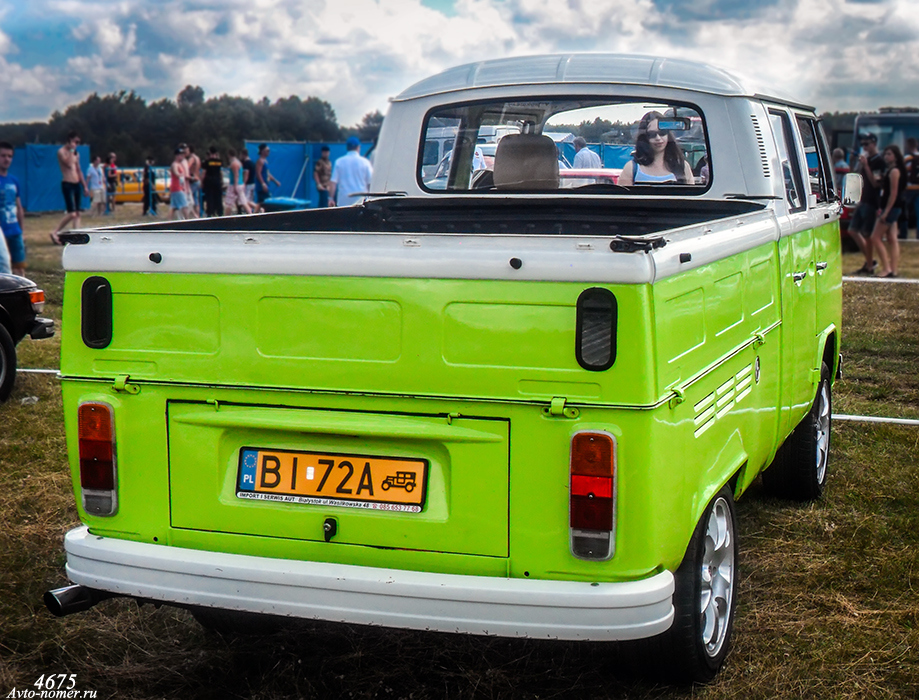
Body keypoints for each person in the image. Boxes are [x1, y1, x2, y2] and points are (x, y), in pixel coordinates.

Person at [617, 112, 693, 186]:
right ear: (644, 138)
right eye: (652, 134)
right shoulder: (632, 168)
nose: (658, 138)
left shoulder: (683, 167)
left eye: (662, 132)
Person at [849, 133, 885, 275]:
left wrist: (867, 166)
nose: (865, 147)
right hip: (863, 199)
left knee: (867, 233)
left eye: (867, 144)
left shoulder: (878, 161)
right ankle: (869, 261)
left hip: (872, 201)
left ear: (874, 144)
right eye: (863, 145)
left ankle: (870, 265)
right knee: (853, 230)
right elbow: (856, 176)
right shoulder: (867, 159)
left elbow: (876, 183)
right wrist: (853, 162)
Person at [871, 144, 907, 278]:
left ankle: (886, 268)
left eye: (889, 154)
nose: (886, 156)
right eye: (885, 154)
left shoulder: (894, 172)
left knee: (875, 237)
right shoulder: (890, 170)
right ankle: (893, 269)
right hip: (891, 207)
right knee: (892, 238)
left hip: (891, 208)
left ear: (896, 156)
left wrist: (885, 212)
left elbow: (893, 194)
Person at [50, 131, 89, 245]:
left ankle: (76, 235)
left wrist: (84, 186)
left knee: (77, 213)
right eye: (75, 142)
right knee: (71, 213)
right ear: (70, 140)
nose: (76, 144)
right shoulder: (62, 152)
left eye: (78, 142)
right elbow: (67, 163)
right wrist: (71, 150)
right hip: (67, 183)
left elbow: (78, 169)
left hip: (76, 183)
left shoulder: (76, 154)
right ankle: (55, 232)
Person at [0, 142, 26, 276]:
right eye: (3, 156)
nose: (6, 159)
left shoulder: (13, 180)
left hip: (14, 231)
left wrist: (21, 231)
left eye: (9, 156)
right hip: (1, 233)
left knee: (19, 269)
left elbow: (19, 207)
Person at [329, 136, 372, 206]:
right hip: (361, 199)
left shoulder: (339, 162)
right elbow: (370, 183)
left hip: (344, 200)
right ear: (358, 147)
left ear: (347, 148)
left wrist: (330, 198)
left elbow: (333, 182)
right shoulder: (365, 162)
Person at [900, 137, 919, 239]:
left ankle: (903, 233)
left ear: (908, 146)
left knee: (904, 211)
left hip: (908, 189)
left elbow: (903, 173)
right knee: (918, 212)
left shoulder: (907, 158)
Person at [224, 148, 252, 215]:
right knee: (243, 201)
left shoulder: (234, 163)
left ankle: (225, 217)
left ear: (229, 154)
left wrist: (235, 186)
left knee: (229, 203)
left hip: (234, 184)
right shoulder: (238, 162)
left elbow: (236, 175)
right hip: (239, 184)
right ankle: (250, 214)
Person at [254, 143, 281, 211]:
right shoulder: (260, 161)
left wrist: (275, 181)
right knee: (264, 202)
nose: (269, 152)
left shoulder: (265, 161)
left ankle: (255, 215)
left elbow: (267, 174)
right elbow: (258, 173)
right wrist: (263, 184)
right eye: (267, 151)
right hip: (262, 186)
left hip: (266, 184)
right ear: (262, 151)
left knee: (261, 203)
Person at [201, 146, 224, 217]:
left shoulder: (207, 162)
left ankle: (210, 212)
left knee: (210, 197)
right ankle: (219, 212)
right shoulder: (219, 162)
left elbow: (204, 173)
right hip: (217, 181)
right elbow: (221, 172)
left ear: (210, 152)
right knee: (218, 197)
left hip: (209, 181)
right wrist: (221, 181)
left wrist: (201, 182)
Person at [169, 147, 191, 220]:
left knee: (173, 207)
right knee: (184, 205)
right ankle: (188, 221)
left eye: (182, 155)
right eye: (180, 155)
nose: (182, 156)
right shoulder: (175, 164)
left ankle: (168, 221)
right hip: (177, 188)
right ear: (176, 156)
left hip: (178, 188)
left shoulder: (179, 164)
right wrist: (180, 175)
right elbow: (175, 172)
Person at [186, 144, 202, 217]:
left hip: (193, 180)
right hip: (198, 180)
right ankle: (198, 215)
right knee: (195, 199)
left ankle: (193, 215)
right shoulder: (197, 158)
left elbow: (187, 167)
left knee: (188, 198)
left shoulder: (192, 158)